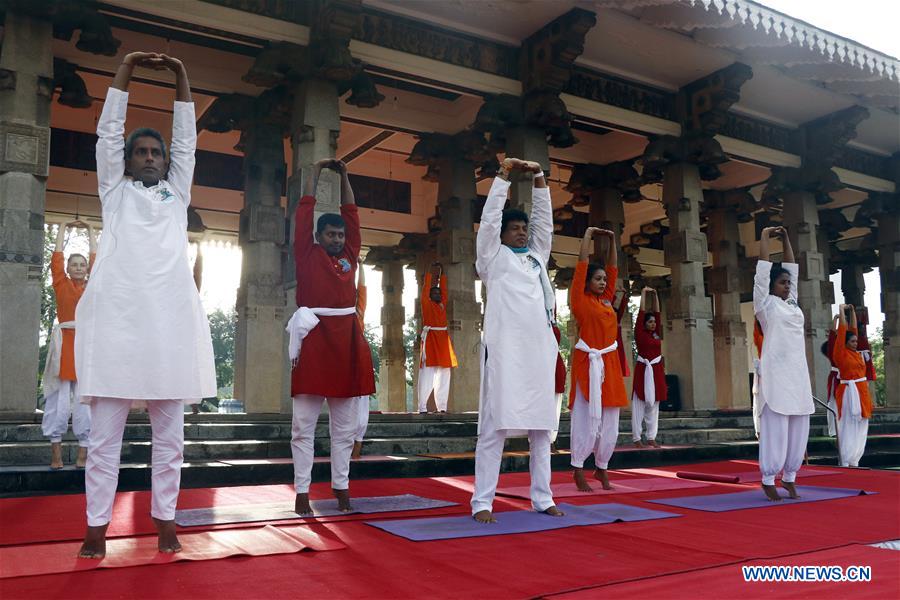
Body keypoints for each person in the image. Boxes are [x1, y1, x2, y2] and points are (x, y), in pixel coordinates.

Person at [76, 52, 217, 558]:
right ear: (129, 159)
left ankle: (165, 520)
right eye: (142, 151)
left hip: (170, 324)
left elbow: (187, 141)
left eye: (156, 151)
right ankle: (96, 527)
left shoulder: (177, 195)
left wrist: (182, 74)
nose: (152, 157)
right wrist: (129, 68)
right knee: (103, 441)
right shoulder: (114, 191)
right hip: (118, 322)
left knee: (170, 439)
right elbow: (107, 132)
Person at [471, 157, 563, 523]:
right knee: (495, 428)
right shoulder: (492, 258)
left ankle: (543, 497)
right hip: (506, 353)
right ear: (503, 234)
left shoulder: (537, 259)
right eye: (515, 228)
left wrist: (540, 179)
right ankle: (482, 502)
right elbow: (490, 220)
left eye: (524, 228)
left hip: (538, 352)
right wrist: (503, 176)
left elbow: (547, 225)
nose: (522, 232)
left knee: (542, 429)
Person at [287, 158, 375, 515]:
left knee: (344, 428)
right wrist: (313, 174)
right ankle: (302, 492)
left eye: (340, 235)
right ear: (319, 237)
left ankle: (342, 489)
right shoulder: (306, 254)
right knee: (302, 426)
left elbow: (352, 215)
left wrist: (345, 177)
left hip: (347, 342)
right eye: (331, 235)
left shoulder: (351, 255)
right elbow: (304, 214)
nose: (338, 239)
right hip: (314, 341)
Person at [753, 226, 812, 502]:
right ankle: (768, 478)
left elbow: (794, 269)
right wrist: (765, 238)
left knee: (799, 424)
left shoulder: (793, 305)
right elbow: (763, 272)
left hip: (797, 373)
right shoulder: (765, 305)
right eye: (783, 282)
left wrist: (787, 238)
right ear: (771, 287)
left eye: (789, 283)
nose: (788, 285)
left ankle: (789, 476)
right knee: (776, 425)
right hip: (775, 372)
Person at [568, 226, 628, 492]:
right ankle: (578, 468)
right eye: (598, 279)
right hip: (588, 365)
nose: (604, 282)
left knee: (611, 420)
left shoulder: (606, 301)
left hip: (610, 365)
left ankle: (602, 467)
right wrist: (588, 235)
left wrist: (613, 241)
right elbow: (581, 266)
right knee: (585, 418)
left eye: (604, 279)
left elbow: (614, 269)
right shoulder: (580, 301)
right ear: (587, 282)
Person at [41, 221, 96, 469]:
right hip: (64, 345)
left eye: (81, 265)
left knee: (84, 403)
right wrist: (63, 226)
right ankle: (56, 452)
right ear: (68, 268)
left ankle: (84, 454)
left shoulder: (93, 285)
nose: (78, 267)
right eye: (74, 264)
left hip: (86, 345)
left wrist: (91, 231)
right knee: (59, 402)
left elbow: (97, 259)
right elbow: (56, 258)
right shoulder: (61, 284)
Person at [833, 304, 871, 467]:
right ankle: (846, 458)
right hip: (848, 392)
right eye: (853, 341)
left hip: (861, 392)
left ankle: (855, 459)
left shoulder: (856, 354)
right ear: (845, 342)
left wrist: (853, 312)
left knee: (862, 424)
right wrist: (842, 311)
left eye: (856, 341)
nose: (856, 343)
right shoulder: (840, 353)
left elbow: (853, 329)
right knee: (848, 424)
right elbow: (843, 331)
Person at [417, 262, 458, 414]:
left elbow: (445, 290)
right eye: (434, 293)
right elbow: (425, 289)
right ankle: (422, 407)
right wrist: (429, 272)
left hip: (443, 342)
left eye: (438, 293)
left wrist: (443, 272)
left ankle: (442, 407)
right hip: (431, 340)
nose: (438, 295)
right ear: (429, 295)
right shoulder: (426, 304)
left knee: (444, 374)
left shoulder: (442, 304)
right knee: (427, 374)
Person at [632, 286, 666, 448]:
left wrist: (656, 294)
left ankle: (651, 436)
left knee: (654, 405)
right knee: (639, 403)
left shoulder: (655, 333)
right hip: (643, 370)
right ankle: (637, 437)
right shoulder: (640, 332)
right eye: (650, 322)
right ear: (644, 324)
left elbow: (658, 314)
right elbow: (641, 312)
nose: (653, 324)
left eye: (654, 322)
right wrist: (644, 293)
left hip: (656, 370)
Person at [351, 259, 370, 460]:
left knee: (361, 413)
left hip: (360, 362)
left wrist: (361, 267)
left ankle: (355, 454)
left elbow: (362, 288)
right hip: (342, 364)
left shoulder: (358, 311)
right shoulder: (334, 312)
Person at [822, 315, 841, 437]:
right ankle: (833, 430)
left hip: (847, 378)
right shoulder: (833, 347)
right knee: (833, 403)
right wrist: (836, 319)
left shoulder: (846, 345)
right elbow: (832, 333)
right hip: (836, 377)